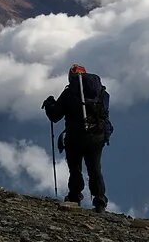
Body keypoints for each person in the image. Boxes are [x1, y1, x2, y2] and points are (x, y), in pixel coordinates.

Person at [42, 64, 114, 212]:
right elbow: (104, 113)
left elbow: (55, 116)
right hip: (97, 136)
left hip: (75, 137)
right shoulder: (101, 92)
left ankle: (74, 197)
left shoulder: (69, 93)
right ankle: (100, 201)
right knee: (95, 169)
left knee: (75, 169)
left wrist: (49, 104)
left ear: (71, 77)